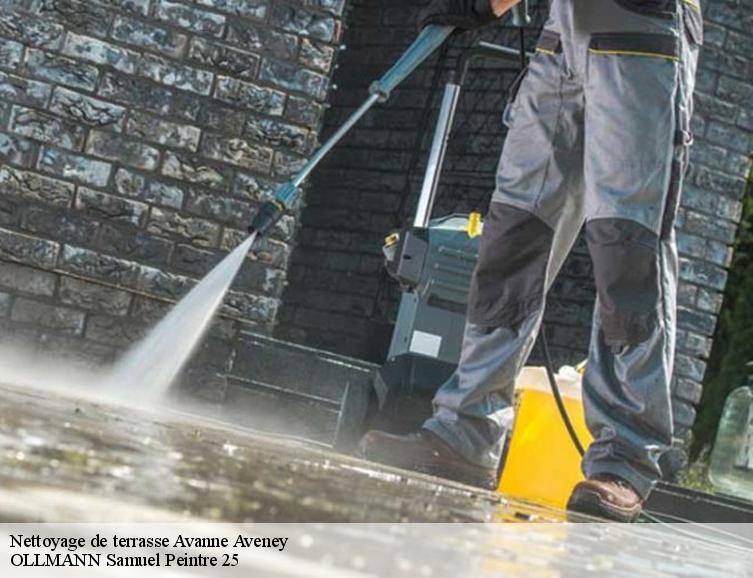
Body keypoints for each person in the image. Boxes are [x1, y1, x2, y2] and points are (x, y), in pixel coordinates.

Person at [360, 0, 703, 522]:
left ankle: (625, 459)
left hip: (643, 26)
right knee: (515, 235)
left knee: (627, 246)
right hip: (564, 31)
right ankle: (464, 431)